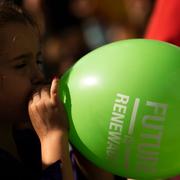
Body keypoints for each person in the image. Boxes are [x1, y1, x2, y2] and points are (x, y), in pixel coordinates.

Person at [0, 1, 122, 180]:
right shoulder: (44, 137)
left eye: (39, 62)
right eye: (21, 65)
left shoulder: (28, 140)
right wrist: (52, 137)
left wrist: (79, 133)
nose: (39, 76)